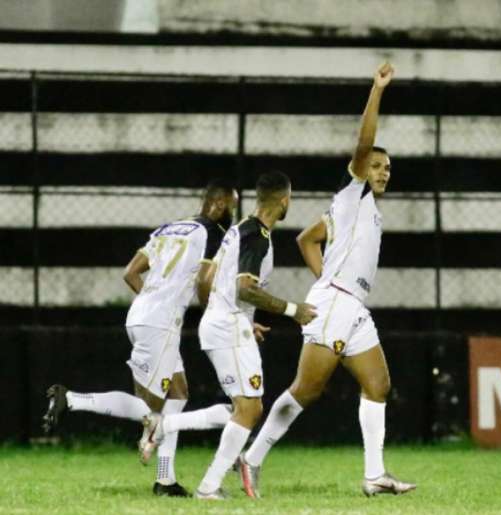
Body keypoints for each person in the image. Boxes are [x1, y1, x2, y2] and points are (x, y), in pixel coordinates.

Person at [238, 63, 416, 498]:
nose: (383, 171)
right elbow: (364, 140)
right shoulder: (353, 193)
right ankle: (251, 457)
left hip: (350, 304)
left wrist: (327, 278)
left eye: (388, 167)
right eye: (376, 165)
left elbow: (306, 239)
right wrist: (377, 91)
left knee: (378, 384)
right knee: (307, 389)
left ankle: (374, 476)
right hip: (337, 302)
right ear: (361, 168)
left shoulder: (357, 208)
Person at [41, 179, 240, 497]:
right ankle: (71, 399)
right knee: (151, 412)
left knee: (178, 395)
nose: (233, 213)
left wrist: (152, 302)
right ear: (218, 205)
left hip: (143, 315)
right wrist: (213, 315)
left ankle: (166, 480)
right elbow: (205, 279)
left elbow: (130, 273)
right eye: (232, 206)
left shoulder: (167, 229)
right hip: (159, 324)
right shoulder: (213, 233)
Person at [140, 171, 316, 500]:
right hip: (227, 325)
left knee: (243, 408)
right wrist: (294, 310)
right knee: (248, 409)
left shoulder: (236, 230)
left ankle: (169, 433)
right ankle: (204, 480)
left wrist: (234, 316)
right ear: (285, 201)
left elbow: (207, 276)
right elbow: (245, 288)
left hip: (223, 323)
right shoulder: (257, 236)